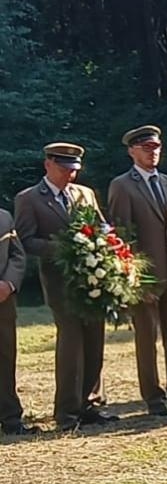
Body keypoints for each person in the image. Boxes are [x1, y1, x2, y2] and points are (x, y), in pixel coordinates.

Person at [13, 143, 114, 429]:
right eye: (63, 169)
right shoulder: (29, 198)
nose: (69, 175)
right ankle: (67, 412)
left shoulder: (84, 193)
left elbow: (101, 227)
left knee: (95, 339)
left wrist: (105, 245)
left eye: (73, 170)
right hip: (60, 281)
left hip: (92, 278)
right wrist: (64, 247)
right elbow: (26, 240)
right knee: (71, 342)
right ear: (48, 164)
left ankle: (91, 404)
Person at [106, 125, 167, 416]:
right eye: (146, 148)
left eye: (156, 147)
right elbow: (120, 234)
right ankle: (153, 398)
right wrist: (131, 275)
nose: (153, 152)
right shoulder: (122, 185)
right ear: (132, 151)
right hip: (143, 276)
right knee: (146, 338)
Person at [0, 201, 30, 434]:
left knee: (5, 358)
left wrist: (8, 284)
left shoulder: (4, 217)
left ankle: (11, 419)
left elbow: (17, 255)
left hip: (3, 302)